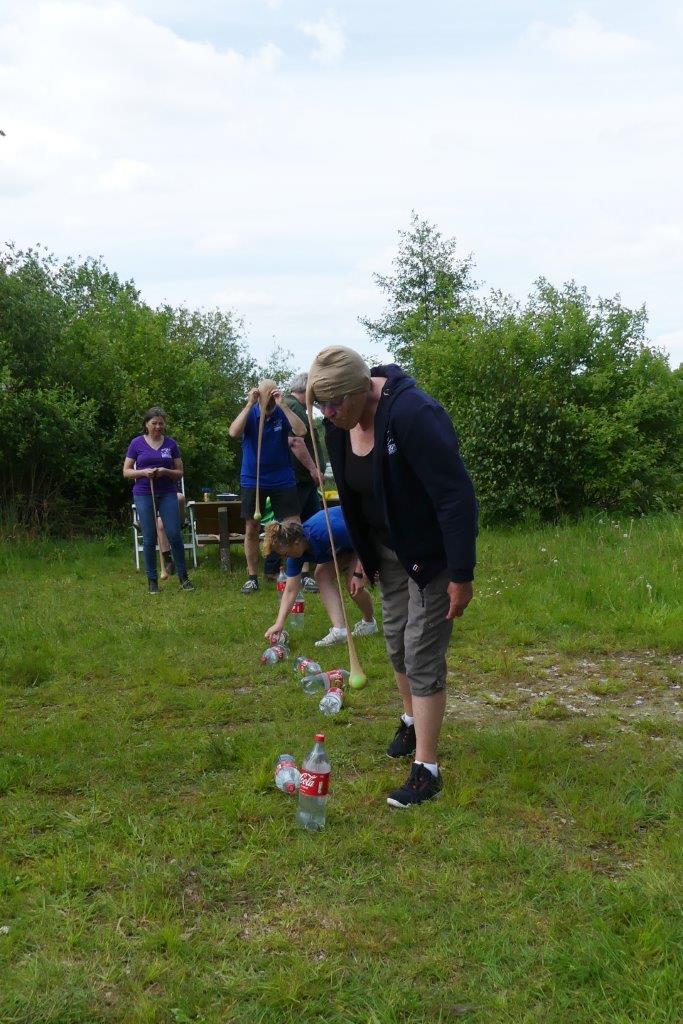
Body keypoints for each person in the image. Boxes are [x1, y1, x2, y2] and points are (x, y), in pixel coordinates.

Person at [307, 346, 477, 808]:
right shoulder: (338, 425)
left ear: (359, 390)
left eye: (333, 404)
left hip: (431, 552)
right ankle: (411, 719)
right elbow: (357, 498)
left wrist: (461, 573)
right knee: (397, 640)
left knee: (421, 650)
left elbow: (455, 496)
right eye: (321, 406)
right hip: (387, 551)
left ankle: (427, 769)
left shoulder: (414, 414)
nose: (327, 415)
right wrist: (364, 558)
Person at [228, 381, 307, 594]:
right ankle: (252, 577)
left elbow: (302, 431)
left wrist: (284, 405)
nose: (268, 401)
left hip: (282, 477)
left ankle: (302, 573)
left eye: (271, 396)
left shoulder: (281, 410)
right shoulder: (251, 412)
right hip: (252, 478)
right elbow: (233, 432)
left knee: (294, 525)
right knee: (251, 527)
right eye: (264, 397)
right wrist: (248, 404)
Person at [262, 506, 378, 646]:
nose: (286, 558)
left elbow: (364, 537)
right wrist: (279, 623)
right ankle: (340, 630)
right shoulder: (294, 555)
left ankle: (369, 623)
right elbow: (291, 590)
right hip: (343, 545)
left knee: (352, 584)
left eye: (286, 554)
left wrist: (361, 572)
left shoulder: (326, 531)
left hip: (364, 536)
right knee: (321, 575)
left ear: (296, 543)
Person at [123, 406, 194, 594]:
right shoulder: (136, 443)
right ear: (146, 424)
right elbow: (126, 471)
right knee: (149, 537)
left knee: (174, 534)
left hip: (167, 492)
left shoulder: (171, 444)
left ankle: (183, 578)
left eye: (161, 423)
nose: (157, 426)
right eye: (154, 423)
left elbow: (179, 472)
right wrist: (143, 472)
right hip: (143, 493)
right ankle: (152, 581)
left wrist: (165, 471)